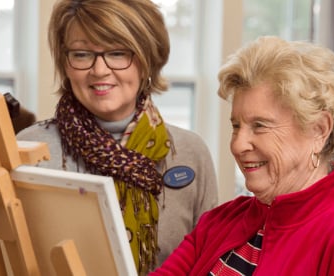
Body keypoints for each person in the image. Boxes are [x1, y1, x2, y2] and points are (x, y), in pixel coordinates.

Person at [16, 0, 218, 274]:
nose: (99, 70)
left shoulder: (191, 153)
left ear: (146, 59)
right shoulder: (29, 149)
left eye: (118, 53)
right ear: (66, 63)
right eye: (82, 54)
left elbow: (208, 263)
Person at [150, 36, 334, 275]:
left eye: (260, 125)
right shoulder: (219, 221)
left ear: (319, 130)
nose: (238, 145)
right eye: (236, 126)